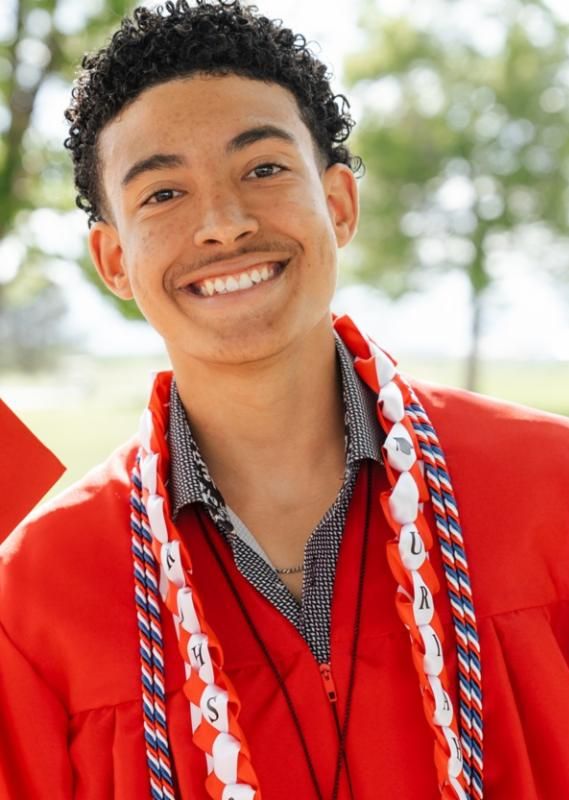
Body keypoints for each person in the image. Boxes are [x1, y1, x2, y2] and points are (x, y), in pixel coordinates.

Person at [1, 2, 568, 798]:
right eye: (162, 193)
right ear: (114, 260)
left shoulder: (548, 490)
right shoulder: (40, 597)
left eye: (263, 169)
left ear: (338, 204)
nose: (223, 224)